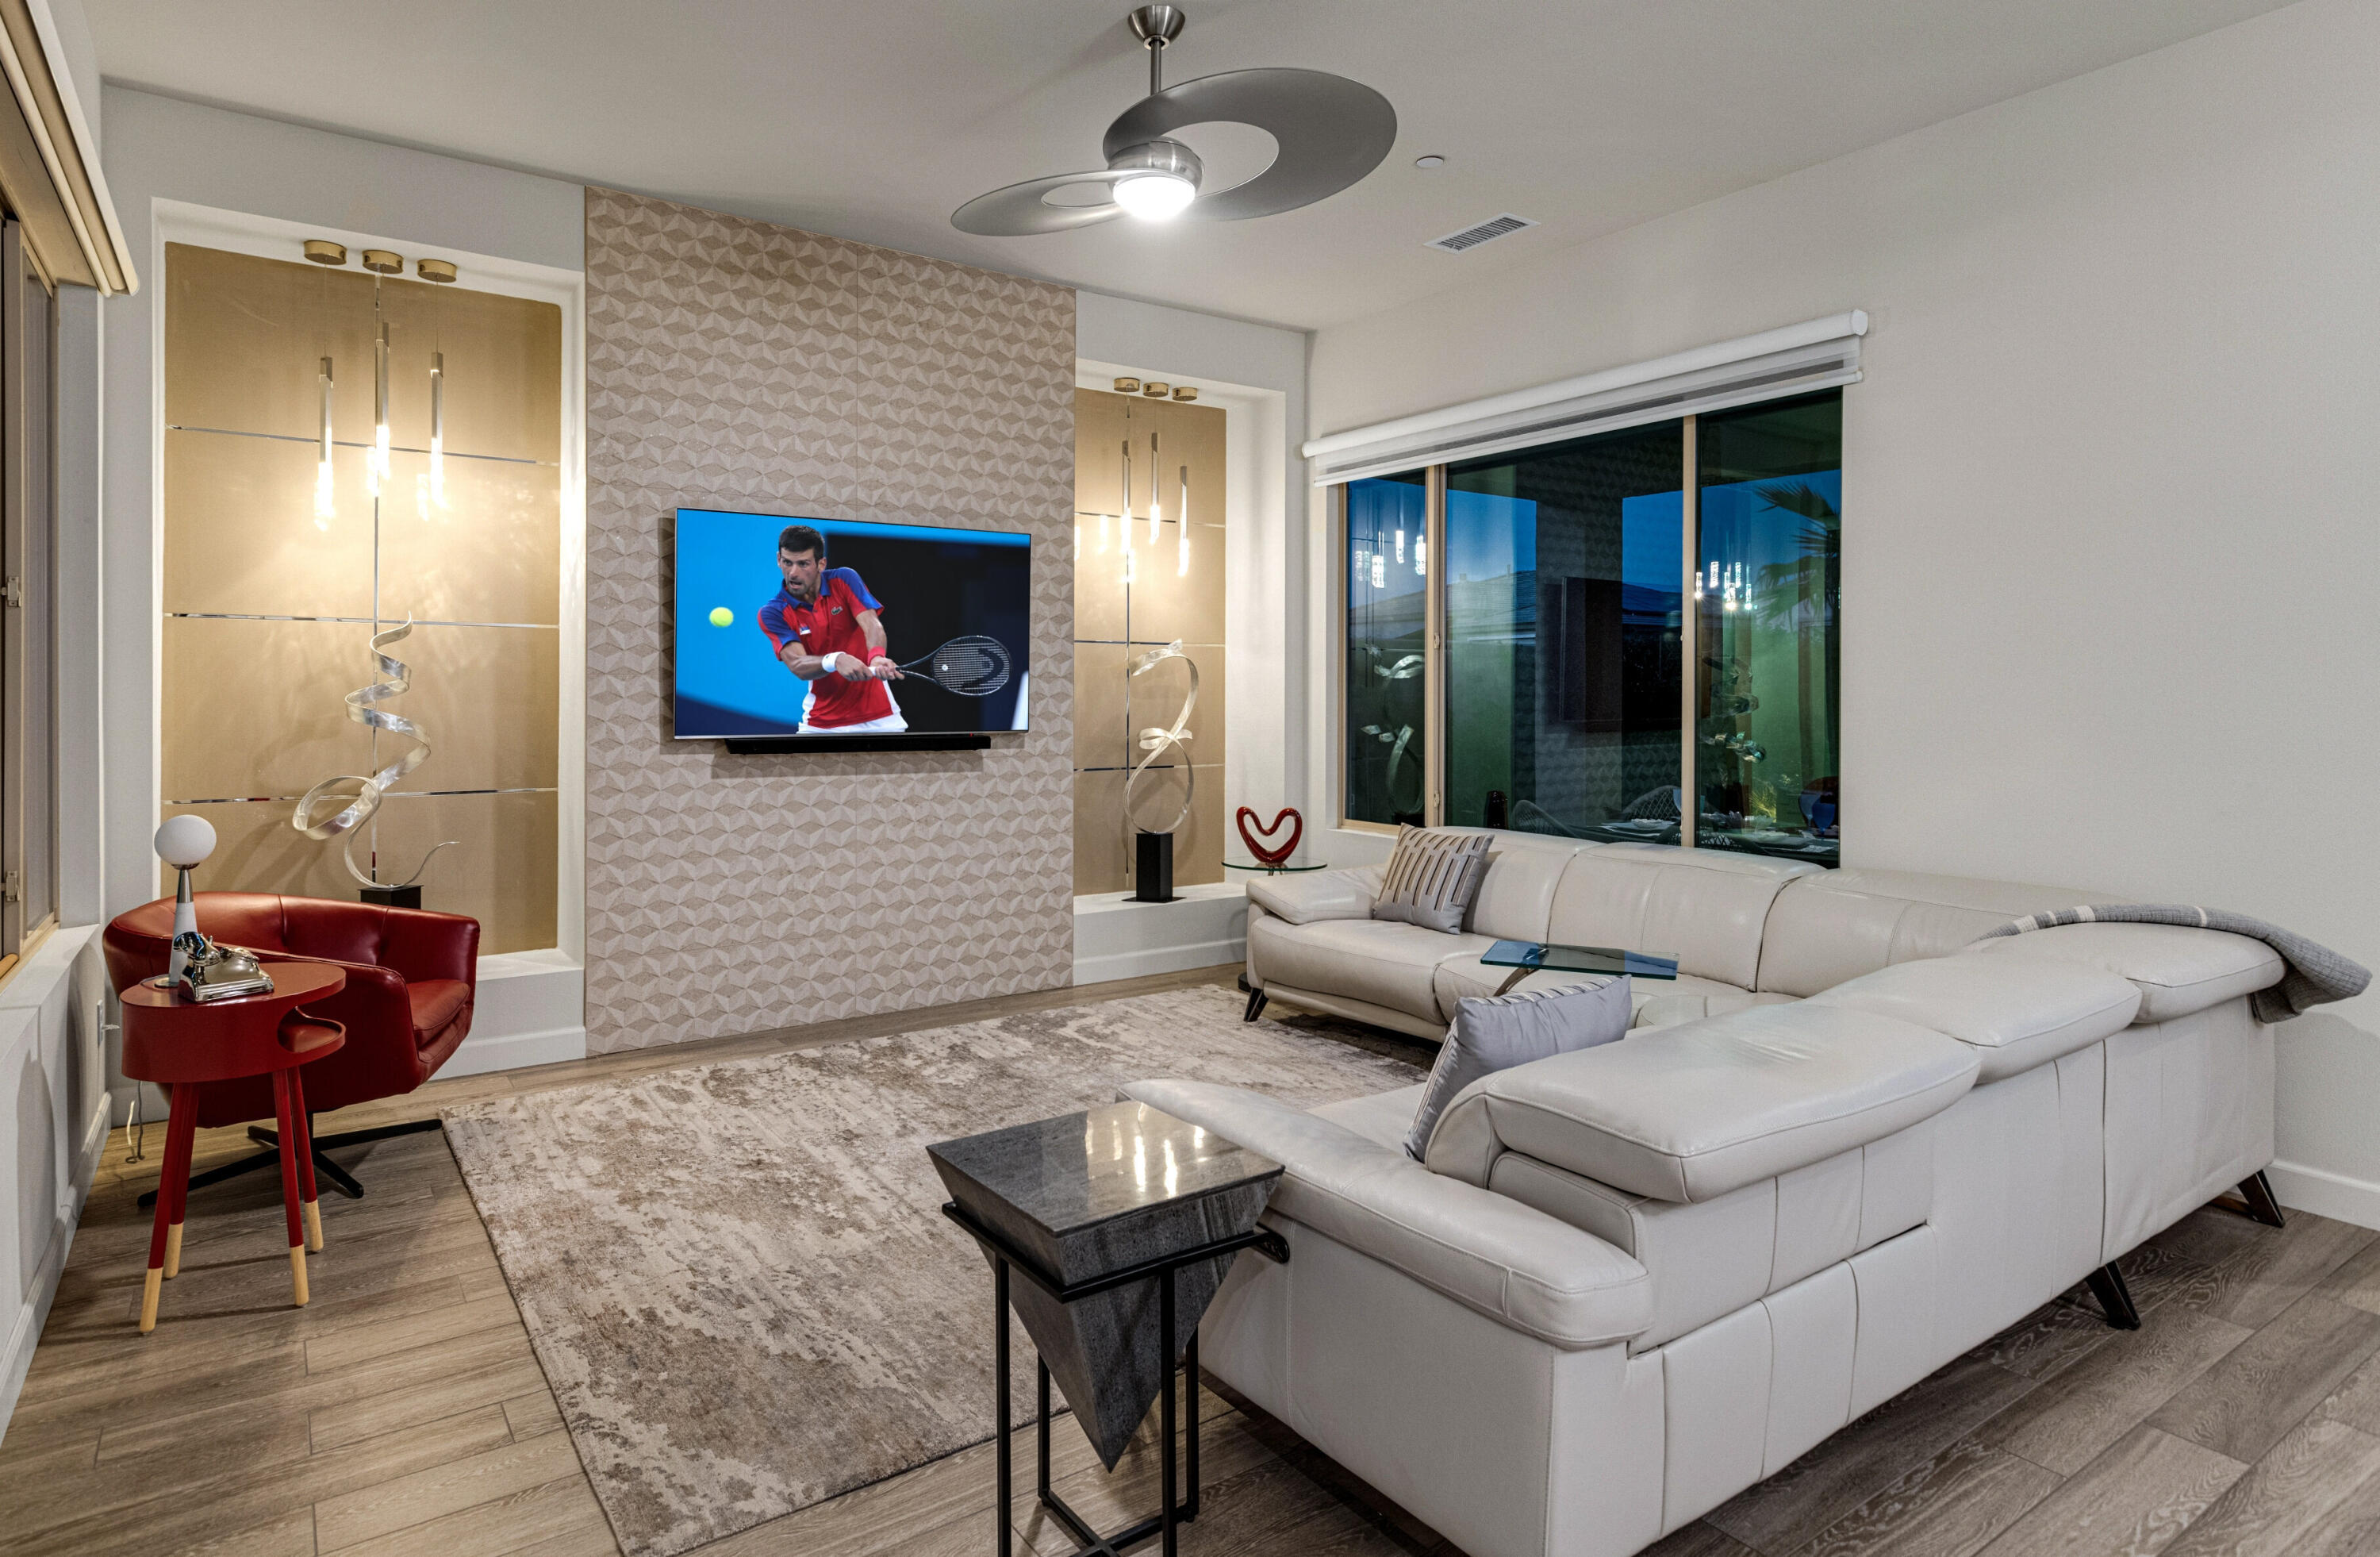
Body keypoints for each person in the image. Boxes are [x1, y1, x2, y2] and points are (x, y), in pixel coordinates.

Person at [756, 524, 908, 733]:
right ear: (778, 559)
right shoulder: (773, 613)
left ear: (821, 564)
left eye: (803, 564)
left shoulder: (844, 579)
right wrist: (835, 660)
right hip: (820, 725)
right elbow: (798, 665)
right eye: (787, 562)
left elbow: (871, 624)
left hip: (881, 720)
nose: (793, 573)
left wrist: (877, 656)